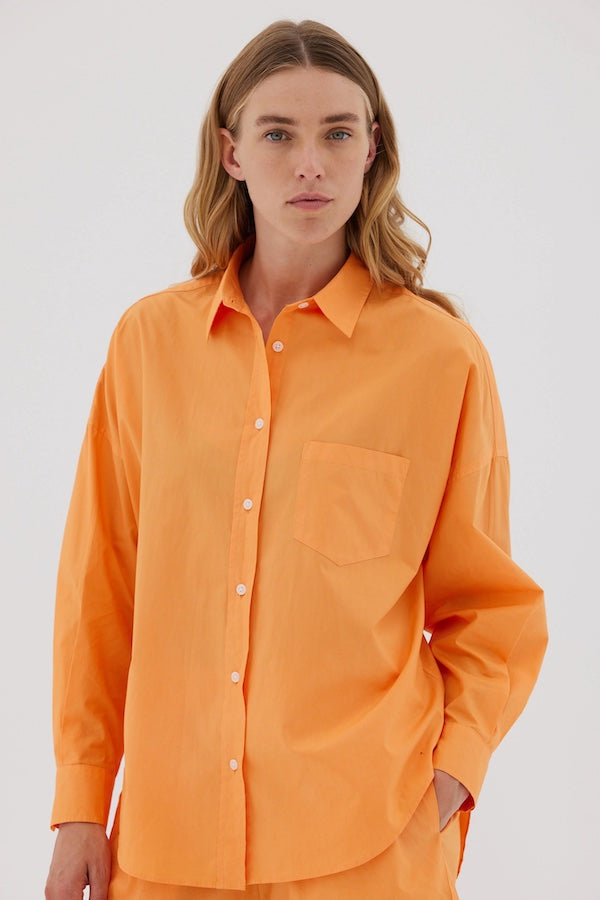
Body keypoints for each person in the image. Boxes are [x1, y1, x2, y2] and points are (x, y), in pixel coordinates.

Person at [45, 19, 547, 900]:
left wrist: (448, 780)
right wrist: (81, 803)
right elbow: (101, 590)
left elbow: (490, 609)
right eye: (279, 134)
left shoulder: (440, 359)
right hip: (166, 850)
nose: (310, 164)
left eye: (337, 133)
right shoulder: (148, 344)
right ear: (231, 152)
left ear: (372, 149)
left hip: (369, 848)